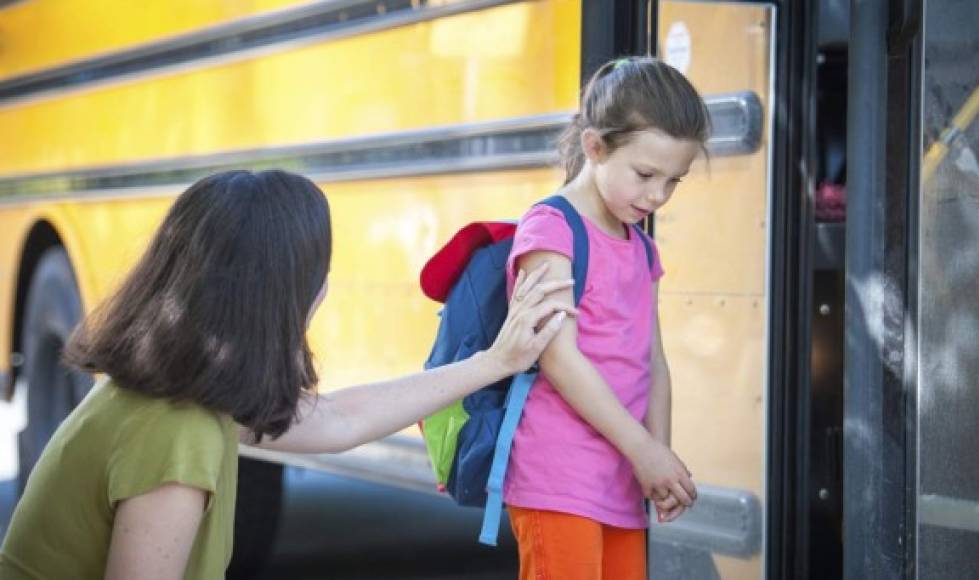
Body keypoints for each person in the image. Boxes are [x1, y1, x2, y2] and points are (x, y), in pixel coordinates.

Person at [0, 170, 575, 580]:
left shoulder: (182, 395)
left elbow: (340, 418)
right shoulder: (176, 434)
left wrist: (493, 363)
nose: (324, 289)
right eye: (318, 273)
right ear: (284, 297)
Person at [503, 57, 710, 580]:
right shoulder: (551, 230)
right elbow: (557, 356)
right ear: (595, 147)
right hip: (559, 477)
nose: (657, 196)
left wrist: (657, 457)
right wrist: (644, 450)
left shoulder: (641, 248)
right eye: (645, 175)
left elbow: (653, 362)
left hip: (621, 477)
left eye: (673, 181)